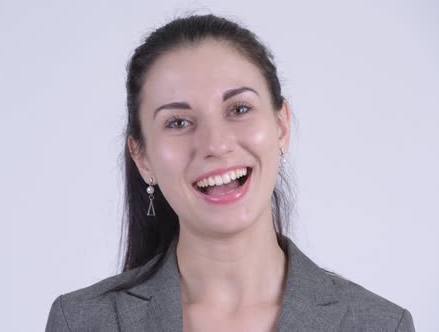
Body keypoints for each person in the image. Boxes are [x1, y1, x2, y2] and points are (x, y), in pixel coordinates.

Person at [45, 14, 415, 331]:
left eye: (239, 109)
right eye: (177, 121)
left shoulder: (379, 324)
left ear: (281, 126)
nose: (216, 144)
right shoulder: (81, 321)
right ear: (142, 157)